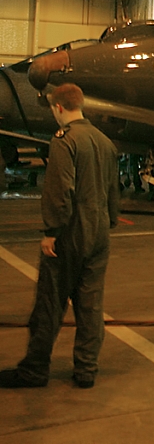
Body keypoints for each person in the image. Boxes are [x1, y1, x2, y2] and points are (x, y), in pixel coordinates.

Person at [0, 83, 120, 389]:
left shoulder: (64, 141)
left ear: (58, 108)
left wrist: (52, 232)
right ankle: (86, 370)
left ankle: (35, 369)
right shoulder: (105, 142)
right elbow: (112, 192)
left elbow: (59, 191)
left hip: (70, 234)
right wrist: (109, 222)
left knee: (50, 303)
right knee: (91, 306)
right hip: (99, 235)